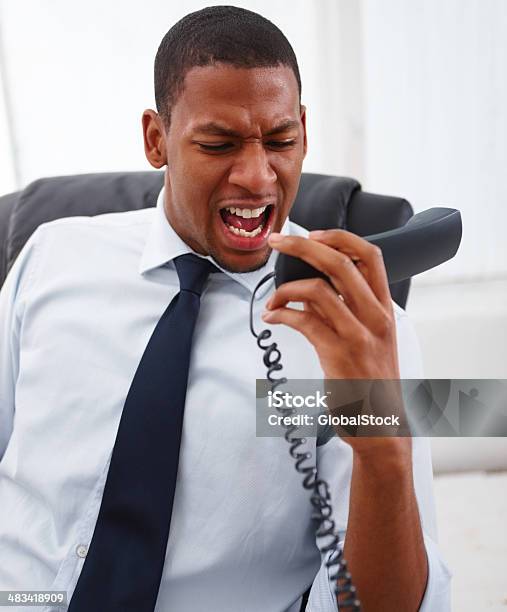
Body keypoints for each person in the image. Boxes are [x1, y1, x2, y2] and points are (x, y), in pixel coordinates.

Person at [0, 6, 451, 611]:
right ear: (156, 140)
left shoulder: (362, 330)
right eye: (218, 143)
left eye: (282, 140)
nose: (258, 177)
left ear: (304, 133)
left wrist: (381, 441)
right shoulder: (53, 257)